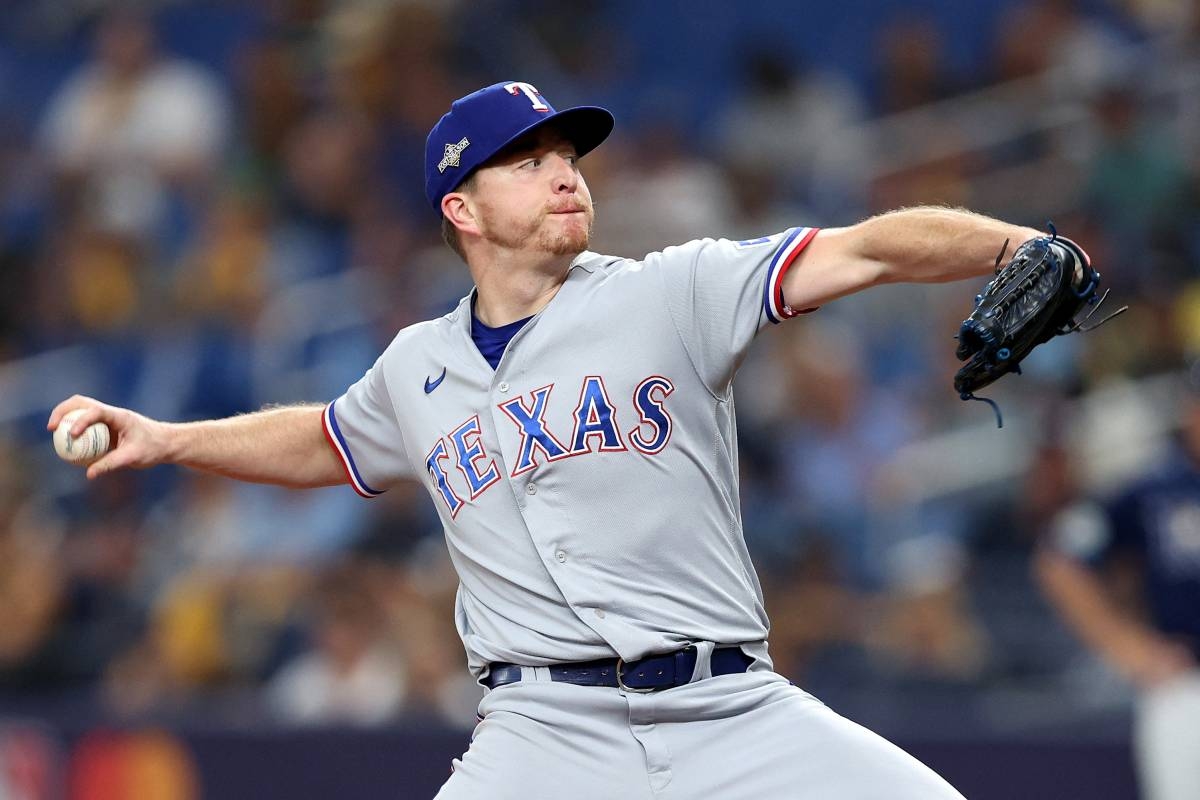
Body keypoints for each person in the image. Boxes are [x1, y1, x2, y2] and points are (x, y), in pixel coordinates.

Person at [51, 80, 1055, 798]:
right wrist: (171, 438)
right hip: (542, 733)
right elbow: (325, 439)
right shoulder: (416, 364)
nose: (565, 176)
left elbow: (864, 248)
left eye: (568, 157)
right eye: (527, 164)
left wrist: (1017, 247)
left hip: (731, 711)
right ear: (461, 207)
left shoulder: (674, 287)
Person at [1035, 377, 1200, 800]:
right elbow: (1060, 557)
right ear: (1189, 411)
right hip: (1186, 685)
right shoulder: (1155, 487)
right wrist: (1129, 648)